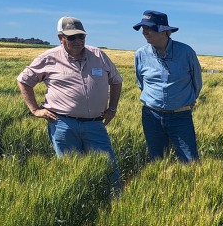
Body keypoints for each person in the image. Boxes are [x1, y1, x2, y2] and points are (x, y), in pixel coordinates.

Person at [17, 16, 122, 190]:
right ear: (61, 38)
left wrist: (113, 107)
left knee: (109, 170)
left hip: (95, 124)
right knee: (71, 174)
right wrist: (35, 109)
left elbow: (116, 81)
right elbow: (24, 80)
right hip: (63, 124)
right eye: (72, 37)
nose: (78, 41)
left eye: (81, 36)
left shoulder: (98, 55)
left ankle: (115, 207)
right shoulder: (49, 57)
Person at [133, 10, 203, 163]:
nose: (145, 32)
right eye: (143, 29)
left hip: (180, 116)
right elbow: (141, 83)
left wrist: (186, 100)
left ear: (164, 31)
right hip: (151, 116)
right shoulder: (140, 54)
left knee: (190, 161)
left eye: (149, 28)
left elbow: (197, 81)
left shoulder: (186, 52)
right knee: (157, 160)